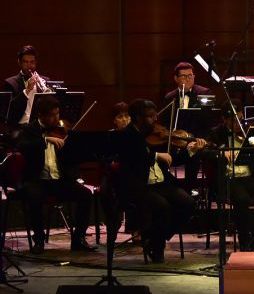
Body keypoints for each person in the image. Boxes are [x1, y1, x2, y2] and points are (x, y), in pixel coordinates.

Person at [113, 98, 199, 263]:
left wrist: (191, 151)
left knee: (188, 203)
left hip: (161, 183)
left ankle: (153, 238)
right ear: (138, 118)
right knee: (162, 206)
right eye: (151, 116)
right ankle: (157, 248)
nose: (155, 119)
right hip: (138, 186)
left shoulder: (154, 134)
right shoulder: (126, 135)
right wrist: (156, 155)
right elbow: (135, 157)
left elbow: (172, 160)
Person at [16, 95, 96, 255]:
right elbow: (22, 147)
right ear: (40, 115)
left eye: (57, 113)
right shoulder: (29, 130)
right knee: (34, 196)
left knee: (85, 194)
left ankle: (78, 239)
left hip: (60, 180)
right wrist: (45, 140)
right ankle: (39, 240)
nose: (56, 118)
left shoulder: (62, 131)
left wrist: (75, 146)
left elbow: (73, 159)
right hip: (37, 180)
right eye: (52, 115)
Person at [204, 99, 254, 251]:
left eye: (241, 119)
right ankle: (245, 241)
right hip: (229, 178)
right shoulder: (216, 133)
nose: (239, 124)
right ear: (224, 119)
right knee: (242, 199)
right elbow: (204, 151)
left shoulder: (248, 132)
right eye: (234, 120)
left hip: (250, 176)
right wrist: (222, 154)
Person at [163, 61, 211, 192]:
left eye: (190, 75)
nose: (188, 79)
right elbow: (166, 122)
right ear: (176, 78)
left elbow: (208, 122)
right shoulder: (169, 97)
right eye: (183, 76)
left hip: (196, 139)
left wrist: (195, 140)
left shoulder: (204, 93)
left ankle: (188, 191)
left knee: (193, 155)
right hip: (176, 139)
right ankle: (171, 190)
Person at [5, 45, 53, 130]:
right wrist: (27, 90)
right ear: (19, 62)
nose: (29, 66)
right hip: (20, 127)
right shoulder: (10, 83)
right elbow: (11, 112)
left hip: (40, 126)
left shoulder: (45, 80)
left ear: (36, 62)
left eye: (32, 62)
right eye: (26, 62)